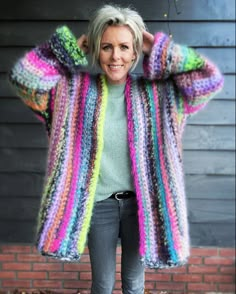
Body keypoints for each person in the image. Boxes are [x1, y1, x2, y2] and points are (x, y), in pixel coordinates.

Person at [9, 4, 224, 294]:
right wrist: (72, 47)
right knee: (102, 284)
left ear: (136, 51)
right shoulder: (72, 92)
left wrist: (161, 49)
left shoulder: (159, 93)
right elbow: (25, 79)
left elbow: (208, 80)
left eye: (125, 46)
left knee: (135, 284)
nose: (116, 56)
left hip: (141, 207)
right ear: (96, 50)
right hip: (100, 206)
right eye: (106, 46)